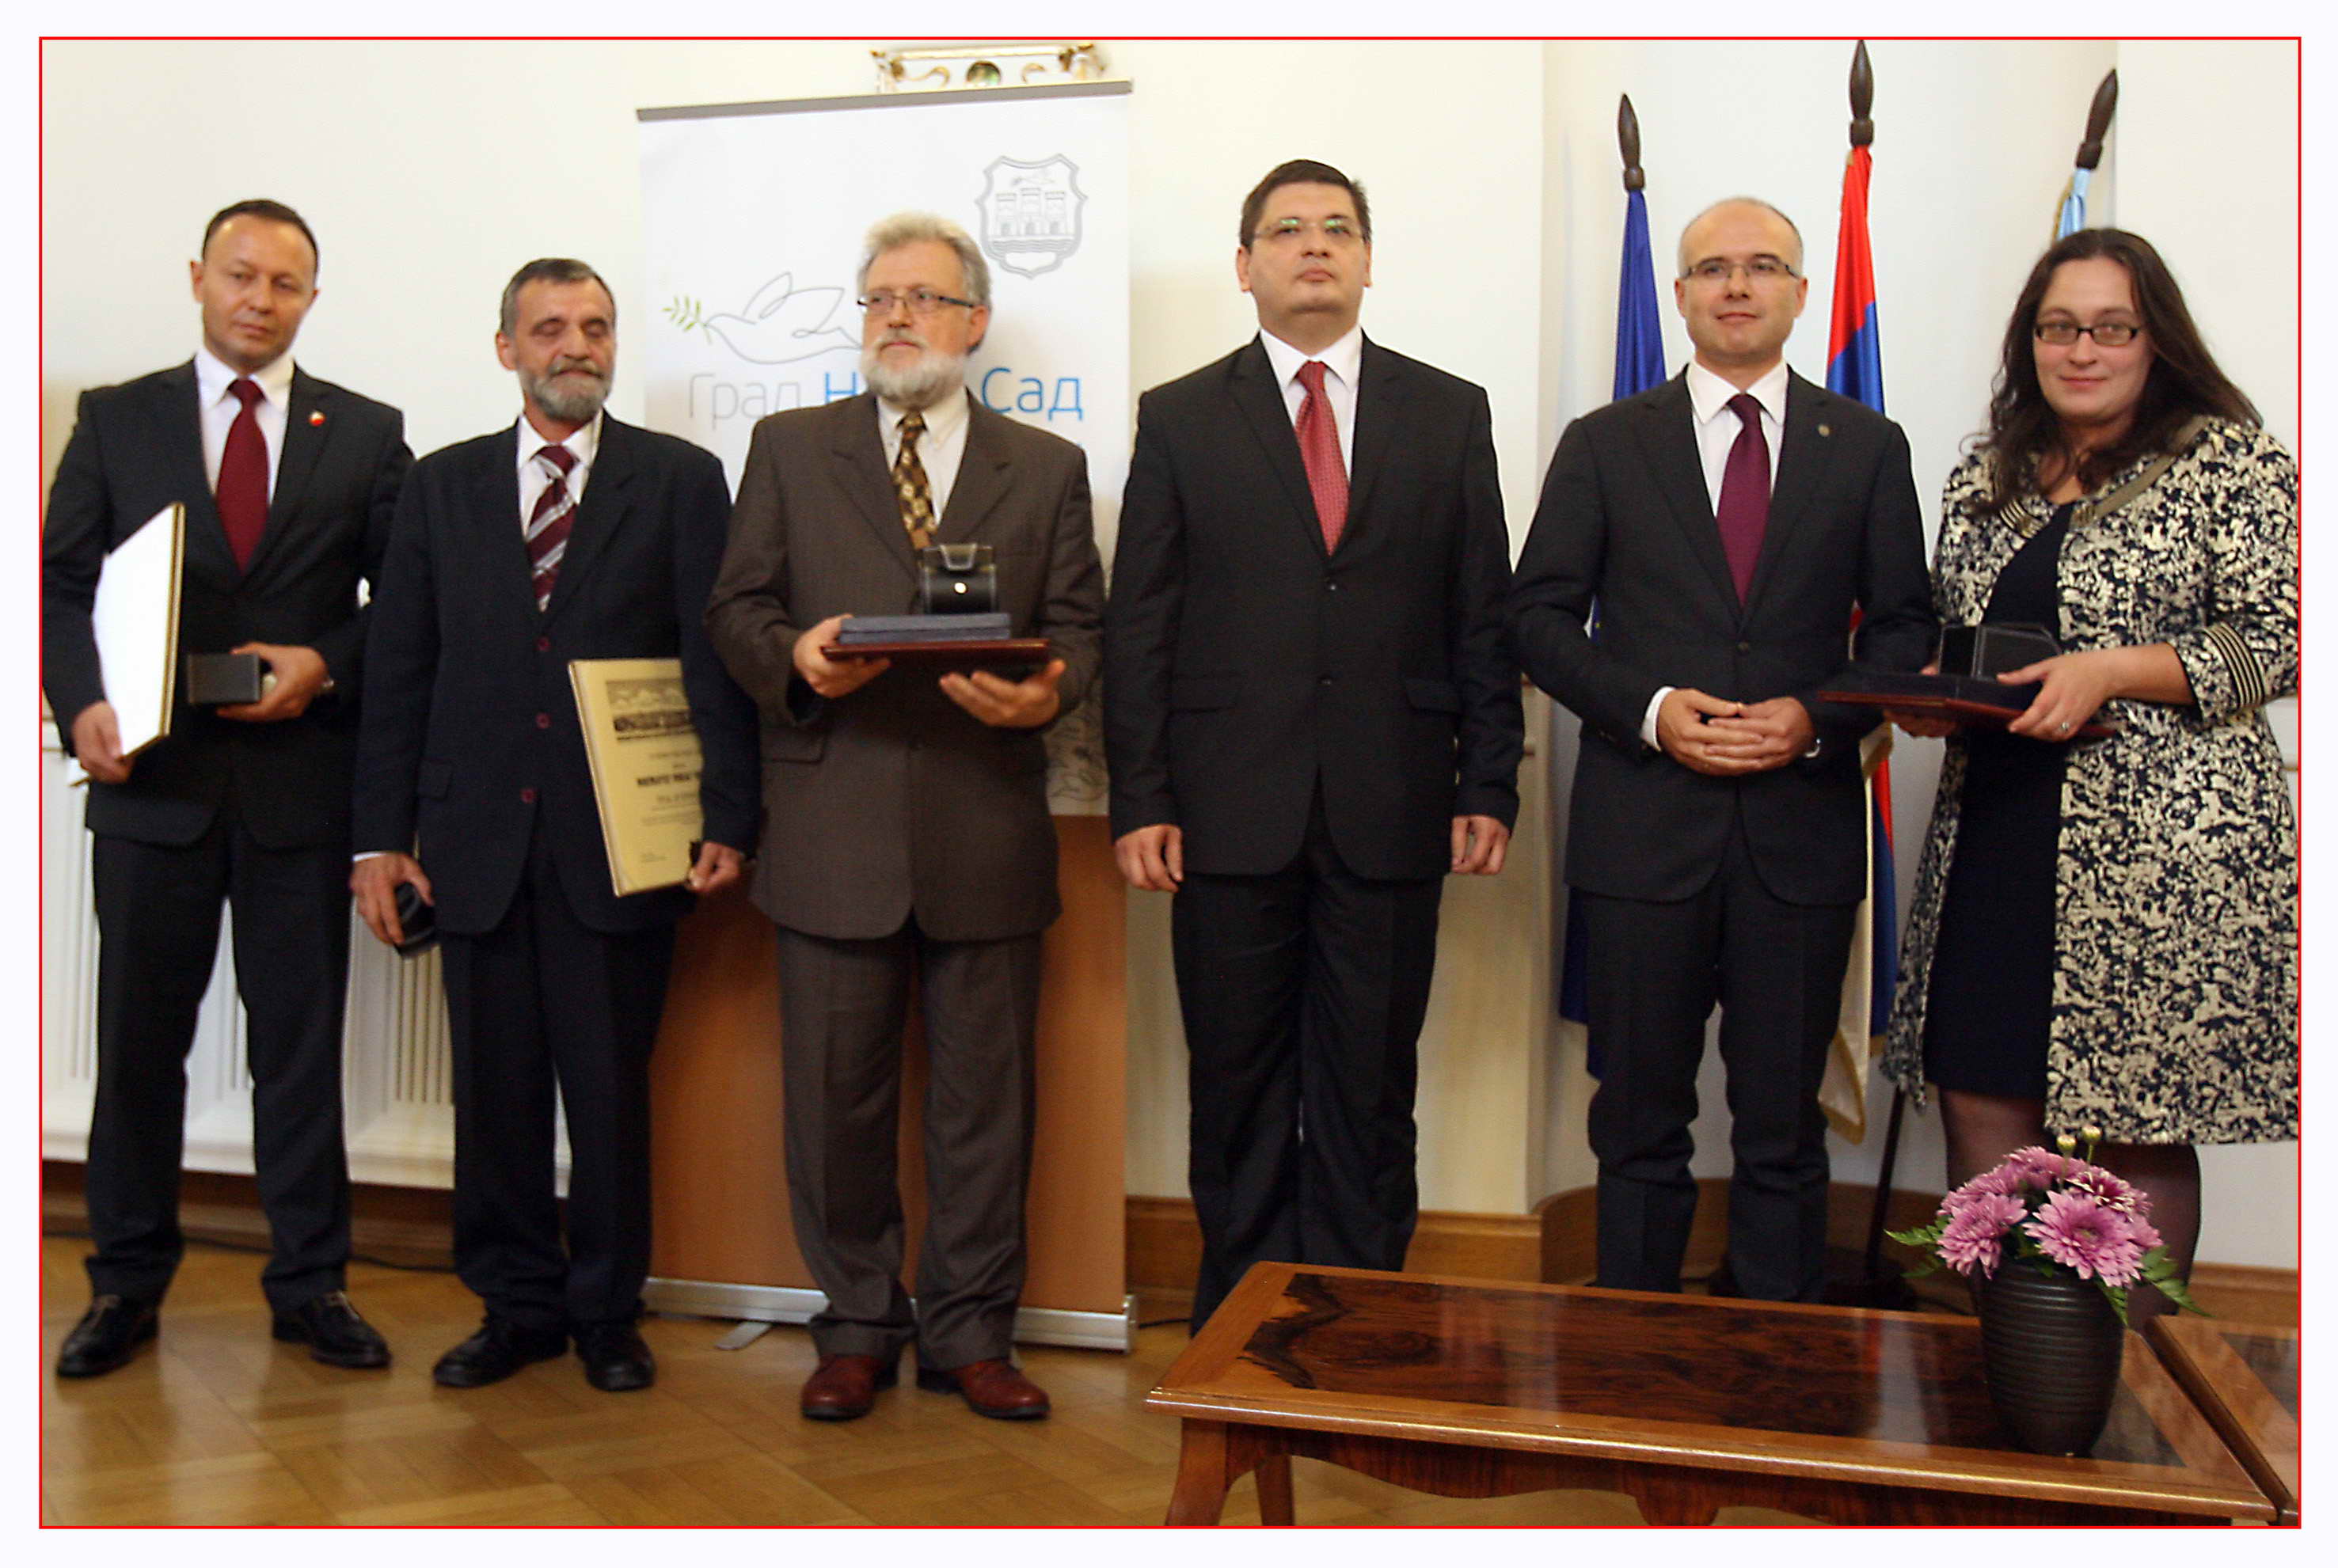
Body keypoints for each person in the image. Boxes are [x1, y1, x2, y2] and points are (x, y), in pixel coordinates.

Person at [1104, 161, 1523, 1332]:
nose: (1314, 245)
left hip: (1395, 799)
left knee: (1369, 1087)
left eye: (1338, 227)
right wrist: (1141, 797)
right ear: (1246, 266)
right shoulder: (1181, 416)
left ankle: (1358, 1324)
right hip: (1225, 809)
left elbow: (1481, 613)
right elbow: (1141, 624)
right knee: (1236, 1085)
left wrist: (1489, 777)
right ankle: (1238, 1328)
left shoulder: (1448, 411)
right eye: (1287, 229)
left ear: (1368, 259)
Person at [705, 213, 1104, 1422]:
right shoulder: (789, 447)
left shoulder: (1046, 466)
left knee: (988, 1109)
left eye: (923, 298)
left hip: (985, 827)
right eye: (878, 297)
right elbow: (736, 607)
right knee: (835, 1106)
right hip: (832, 827)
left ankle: (973, 1333)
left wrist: (1049, 692)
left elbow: (1079, 627)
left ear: (973, 322)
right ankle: (857, 1326)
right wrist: (794, 657)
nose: (896, 317)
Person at [1507, 196, 1934, 1303]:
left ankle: (1775, 1364)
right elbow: (1537, 619)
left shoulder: (1866, 447)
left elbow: (1903, 629)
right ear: (1681, 294)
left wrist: (1816, 714)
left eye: (1762, 267)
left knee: (1782, 1129)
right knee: (1637, 1122)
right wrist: (1651, 710)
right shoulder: (1606, 443)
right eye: (1712, 268)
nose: (1736, 286)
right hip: (1643, 833)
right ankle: (1634, 1360)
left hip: (1798, 835)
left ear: (1800, 292)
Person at [350, 257, 757, 1392]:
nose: (575, 346)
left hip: (622, 847)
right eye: (549, 328)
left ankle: (607, 1313)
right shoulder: (440, 487)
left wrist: (729, 814)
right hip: (471, 846)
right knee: (497, 1098)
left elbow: (712, 661)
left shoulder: (680, 480)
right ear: (506, 349)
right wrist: (379, 837)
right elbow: (399, 670)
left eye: (595, 326)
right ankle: (515, 1306)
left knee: (610, 1094)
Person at [1881, 229, 2297, 1323]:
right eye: (2058, 327)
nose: (2082, 350)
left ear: (2155, 340)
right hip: (1998, 825)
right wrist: (1931, 692)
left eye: (2111, 328)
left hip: (2164, 850)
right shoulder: (1988, 475)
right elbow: (1963, 633)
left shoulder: (2230, 462)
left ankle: (2134, 1382)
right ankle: (2010, 1364)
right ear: (2030, 340)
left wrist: (2112, 669)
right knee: (1980, 1079)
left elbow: (2281, 640)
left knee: (2138, 1112)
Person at [41, 199, 412, 1378]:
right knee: (137, 1049)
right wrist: (80, 701)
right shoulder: (117, 419)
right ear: (199, 276)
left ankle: (311, 1285)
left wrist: (325, 664)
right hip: (152, 786)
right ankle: (123, 1284)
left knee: (298, 1055)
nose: (260, 298)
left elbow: (405, 604)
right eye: (241, 275)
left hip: (302, 791)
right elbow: (59, 586)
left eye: (285, 283)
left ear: (312, 298)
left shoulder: (366, 431)